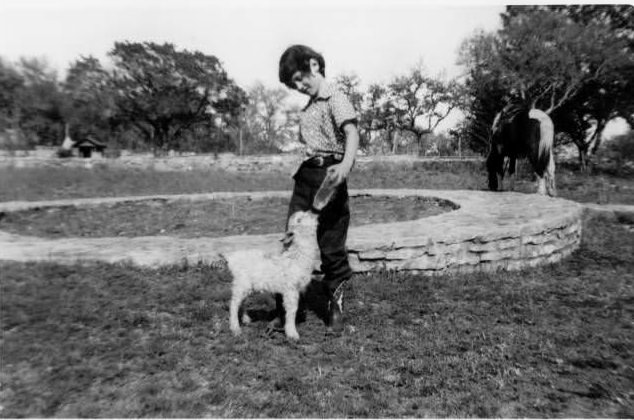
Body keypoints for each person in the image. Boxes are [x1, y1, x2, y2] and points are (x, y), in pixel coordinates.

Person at [278, 44, 360, 334]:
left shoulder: (335, 97)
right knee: (291, 239)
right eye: (294, 84)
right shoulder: (309, 107)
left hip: (330, 176)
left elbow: (351, 132)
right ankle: (289, 310)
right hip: (305, 178)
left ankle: (335, 310)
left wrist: (346, 165)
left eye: (300, 78)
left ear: (314, 65)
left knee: (331, 242)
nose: (299, 86)